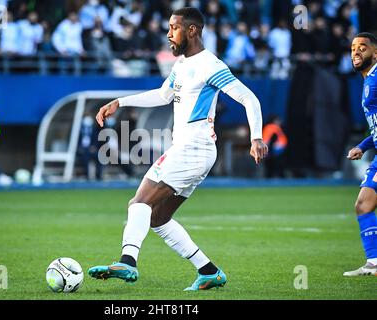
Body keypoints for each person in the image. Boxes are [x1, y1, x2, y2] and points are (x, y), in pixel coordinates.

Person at [88, 7, 268, 290]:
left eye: (174, 28)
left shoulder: (211, 65)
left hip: (193, 147)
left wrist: (256, 137)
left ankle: (127, 261)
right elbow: (162, 95)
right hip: (192, 149)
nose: (169, 34)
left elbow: (249, 99)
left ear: (192, 30)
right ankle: (209, 271)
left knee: (139, 203)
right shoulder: (182, 65)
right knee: (159, 218)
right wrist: (120, 102)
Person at [344, 32, 377, 276]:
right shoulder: (368, 80)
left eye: (362, 47)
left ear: (375, 53)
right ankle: (374, 263)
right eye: (353, 47)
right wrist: (363, 146)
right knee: (364, 205)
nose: (356, 51)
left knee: (364, 204)